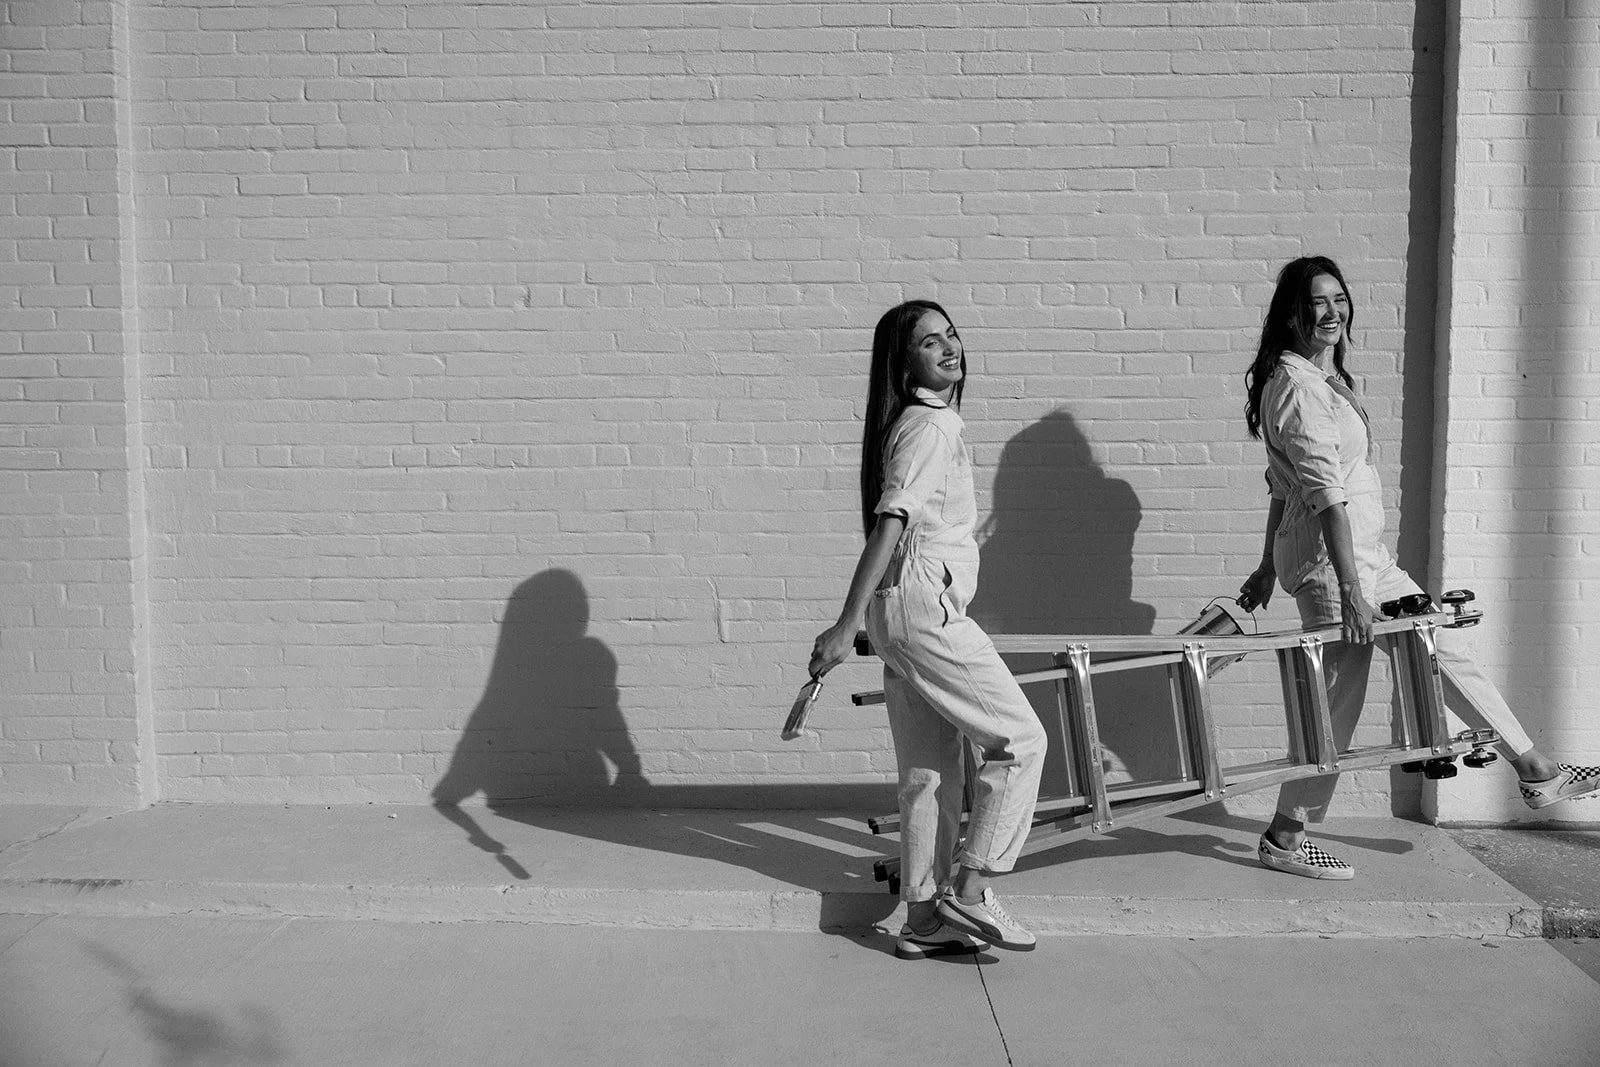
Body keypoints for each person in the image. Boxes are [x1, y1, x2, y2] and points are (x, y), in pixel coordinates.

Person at [1235, 255, 1600, 880]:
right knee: (1336, 705)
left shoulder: (1322, 382)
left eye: (1338, 299)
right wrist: (1349, 588)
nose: (1331, 312)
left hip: (1364, 558)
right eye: (1316, 302)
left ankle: (1535, 768)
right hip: (1334, 568)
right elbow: (1319, 491)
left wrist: (1268, 565)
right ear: (1292, 313)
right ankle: (1285, 838)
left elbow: (1280, 485)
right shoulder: (1295, 387)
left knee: (1437, 648)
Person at [810, 300, 1047, 957]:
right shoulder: (933, 425)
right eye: (928, 342)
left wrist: (862, 621)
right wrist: (844, 621)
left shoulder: (911, 422)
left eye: (951, 335)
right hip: (923, 609)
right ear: (904, 361)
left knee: (928, 770)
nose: (948, 348)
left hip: (903, 611)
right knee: (1021, 738)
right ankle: (969, 890)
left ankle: (922, 916)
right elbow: (893, 520)